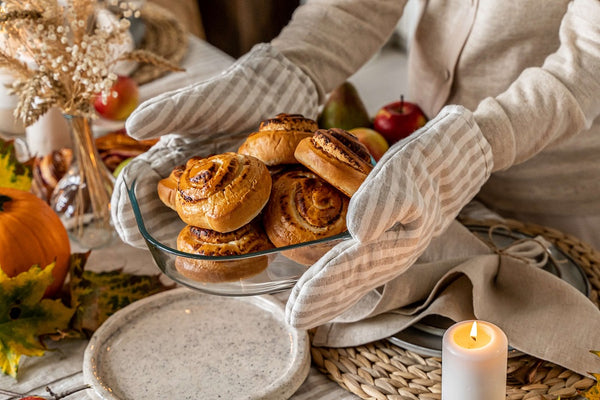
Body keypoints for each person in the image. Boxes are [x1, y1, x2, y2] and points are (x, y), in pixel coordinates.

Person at [111, 0, 600, 330]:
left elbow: (589, 61)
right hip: (416, 156)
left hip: (558, 199)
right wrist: (291, 67)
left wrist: (482, 141)